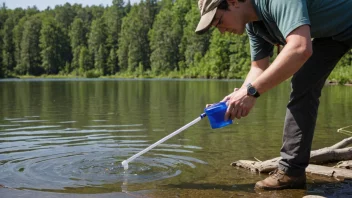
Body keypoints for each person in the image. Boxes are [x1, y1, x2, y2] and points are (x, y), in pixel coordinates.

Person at [195, 0, 352, 190]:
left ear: (234, 2)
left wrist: (251, 92)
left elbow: (300, 48)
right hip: (335, 35)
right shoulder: (255, 26)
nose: (220, 30)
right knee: (304, 82)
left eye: (218, 21)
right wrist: (235, 99)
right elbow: (258, 67)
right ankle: (292, 173)